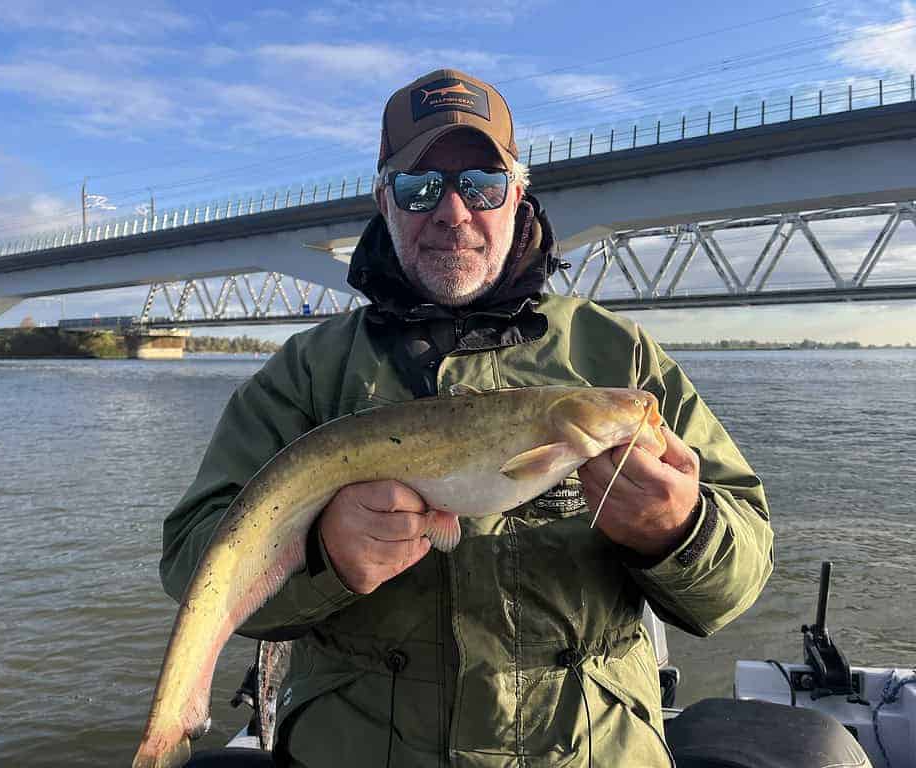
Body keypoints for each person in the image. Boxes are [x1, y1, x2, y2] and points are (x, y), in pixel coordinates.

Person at [161, 68, 774, 767]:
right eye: (419, 188)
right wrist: (322, 556)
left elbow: (740, 579)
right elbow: (193, 564)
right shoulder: (303, 376)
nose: (452, 212)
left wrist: (679, 528)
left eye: (481, 184)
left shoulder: (621, 355)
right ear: (382, 202)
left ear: (519, 193)